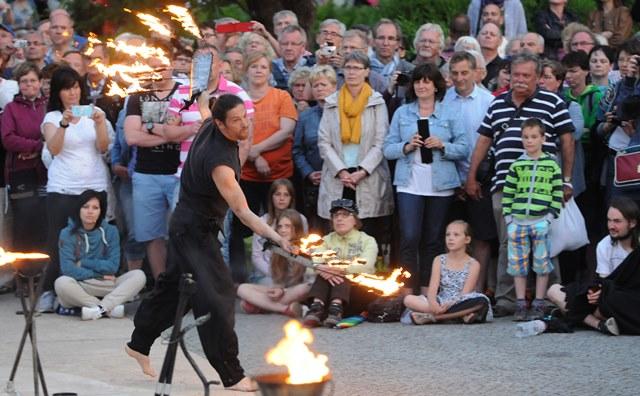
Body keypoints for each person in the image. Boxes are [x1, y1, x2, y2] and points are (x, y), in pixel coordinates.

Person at [126, 95, 290, 392]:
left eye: (245, 116)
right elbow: (242, 211)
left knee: (176, 290)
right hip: (194, 232)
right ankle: (232, 374)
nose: (245, 124)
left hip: (187, 226)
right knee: (218, 296)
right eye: (237, 120)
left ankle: (138, 343)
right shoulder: (220, 163)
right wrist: (276, 236)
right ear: (220, 124)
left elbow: (204, 107)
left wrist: (204, 94)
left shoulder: (207, 125)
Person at [465, 53, 575, 318]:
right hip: (505, 185)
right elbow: (483, 140)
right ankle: (507, 300)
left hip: (543, 186)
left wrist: (566, 181)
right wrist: (471, 177)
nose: (521, 80)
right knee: (507, 243)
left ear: (537, 77)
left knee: (546, 242)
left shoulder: (553, 101)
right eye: (517, 75)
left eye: (527, 75)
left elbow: (567, 140)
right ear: (509, 75)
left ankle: (550, 298)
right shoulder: (497, 103)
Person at [383, 63, 469, 294]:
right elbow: (387, 148)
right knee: (409, 238)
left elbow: (463, 148)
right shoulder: (402, 112)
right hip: (409, 183)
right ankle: (407, 294)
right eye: (418, 81)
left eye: (427, 81)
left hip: (440, 186)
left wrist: (443, 145)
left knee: (432, 241)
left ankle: (427, 293)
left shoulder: (450, 112)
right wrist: (407, 146)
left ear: (435, 86)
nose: (422, 85)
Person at [37, 66, 111, 313]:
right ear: (58, 92)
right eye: (67, 88)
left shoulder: (94, 113)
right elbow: (54, 149)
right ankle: (49, 289)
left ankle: (84, 292)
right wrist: (64, 124)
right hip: (63, 187)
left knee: (92, 241)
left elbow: (102, 147)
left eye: (76, 87)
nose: (72, 93)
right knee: (58, 240)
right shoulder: (51, 118)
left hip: (94, 185)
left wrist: (99, 122)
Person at [124, 41, 198, 280]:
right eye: (152, 66)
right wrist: (169, 133)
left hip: (179, 173)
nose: (157, 71)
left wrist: (152, 129)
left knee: (182, 232)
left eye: (162, 66)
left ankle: (183, 282)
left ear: (172, 65)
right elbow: (131, 137)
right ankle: (161, 285)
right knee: (151, 235)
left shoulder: (186, 93)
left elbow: (193, 130)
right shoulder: (137, 96)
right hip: (146, 175)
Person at [228, 51, 297, 284]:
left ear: (270, 71)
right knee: (240, 226)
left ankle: (286, 275)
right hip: (245, 174)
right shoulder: (237, 99)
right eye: (253, 66)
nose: (258, 70)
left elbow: (286, 130)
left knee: (283, 224)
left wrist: (256, 150)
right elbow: (231, 132)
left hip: (279, 175)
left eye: (263, 67)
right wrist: (253, 157)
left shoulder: (281, 97)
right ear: (246, 70)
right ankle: (240, 277)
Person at [317, 51, 393, 249]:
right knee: (337, 232)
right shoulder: (332, 102)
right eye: (348, 68)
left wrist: (362, 171)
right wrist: (341, 170)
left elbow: (381, 141)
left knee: (366, 233)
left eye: (357, 68)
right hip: (338, 175)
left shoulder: (376, 102)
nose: (352, 73)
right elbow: (324, 141)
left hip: (366, 175)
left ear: (366, 71)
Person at [442, 52, 496, 294]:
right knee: (452, 235)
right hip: (449, 178)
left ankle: (477, 289)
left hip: (480, 178)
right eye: (454, 73)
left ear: (476, 72)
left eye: (465, 72)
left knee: (482, 236)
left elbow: (491, 143)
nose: (459, 78)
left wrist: (474, 179)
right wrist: (456, 181)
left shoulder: (488, 101)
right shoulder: (443, 101)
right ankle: (453, 289)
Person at [548, 197, 640, 335]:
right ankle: (599, 324)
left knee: (612, 303)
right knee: (554, 290)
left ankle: (579, 315)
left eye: (617, 221)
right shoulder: (604, 245)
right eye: (609, 220)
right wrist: (597, 293)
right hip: (610, 300)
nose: (611, 226)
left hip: (631, 300)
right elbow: (605, 282)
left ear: (632, 223)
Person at [502, 118, 563, 321]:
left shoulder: (551, 164)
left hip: (540, 221)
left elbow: (557, 192)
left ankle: (538, 302)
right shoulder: (518, 164)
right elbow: (508, 192)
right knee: (518, 264)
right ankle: (520, 302)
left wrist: (549, 217)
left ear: (543, 138)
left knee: (541, 262)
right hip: (518, 221)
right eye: (526, 137)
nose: (529, 141)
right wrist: (509, 218)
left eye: (534, 137)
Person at [54, 190, 146, 319]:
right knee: (62, 282)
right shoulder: (67, 233)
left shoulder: (111, 231)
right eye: (85, 207)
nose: (90, 211)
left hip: (107, 284)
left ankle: (97, 310)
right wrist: (99, 273)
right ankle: (108, 309)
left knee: (138, 275)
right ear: (78, 209)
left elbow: (113, 266)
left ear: (101, 211)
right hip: (81, 285)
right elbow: (68, 269)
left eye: (95, 208)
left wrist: (83, 262)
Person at [302, 198, 378, 328]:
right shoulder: (325, 240)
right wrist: (323, 269)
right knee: (323, 274)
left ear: (355, 219)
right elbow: (314, 264)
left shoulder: (367, 240)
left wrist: (338, 269)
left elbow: (367, 265)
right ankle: (317, 308)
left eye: (345, 214)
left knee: (341, 274)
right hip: (328, 292)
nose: (339, 218)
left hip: (357, 293)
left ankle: (335, 309)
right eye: (336, 215)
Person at [403, 220, 492, 324]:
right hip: (441, 300)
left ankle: (433, 317)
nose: (450, 238)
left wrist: (450, 305)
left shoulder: (473, 264)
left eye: (456, 235)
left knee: (482, 302)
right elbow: (433, 288)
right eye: (448, 235)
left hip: (461, 301)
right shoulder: (439, 260)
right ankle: (460, 315)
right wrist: (433, 303)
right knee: (408, 299)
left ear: (467, 239)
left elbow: (465, 293)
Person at [1, 62, 47, 253]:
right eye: (24, 81)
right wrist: (39, 145)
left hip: (48, 170)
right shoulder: (12, 108)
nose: (29, 85)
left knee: (46, 219)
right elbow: (8, 138)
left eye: (33, 80)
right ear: (18, 84)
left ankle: (46, 274)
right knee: (24, 222)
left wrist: (40, 150)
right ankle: (24, 274)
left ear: (40, 82)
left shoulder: (50, 105)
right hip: (21, 171)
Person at [238, 209, 313, 316]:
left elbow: (308, 281)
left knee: (306, 287)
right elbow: (279, 279)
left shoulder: (306, 248)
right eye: (280, 226)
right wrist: (279, 288)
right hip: (283, 291)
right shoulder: (277, 248)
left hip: (296, 290)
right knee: (242, 288)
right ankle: (284, 309)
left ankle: (261, 306)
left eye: (287, 226)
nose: (282, 230)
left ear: (296, 228)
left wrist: (283, 290)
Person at [293, 65, 338, 233]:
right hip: (314, 182)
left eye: (323, 85)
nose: (319, 89)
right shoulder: (305, 117)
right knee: (317, 230)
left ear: (334, 87)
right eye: (315, 85)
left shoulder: (344, 113)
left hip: (339, 179)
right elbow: (297, 150)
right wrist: (308, 173)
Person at [249, 179, 308, 283]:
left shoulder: (301, 219)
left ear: (291, 198)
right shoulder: (262, 221)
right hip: (267, 274)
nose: (281, 199)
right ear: (271, 197)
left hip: (293, 273)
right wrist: (276, 275)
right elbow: (256, 256)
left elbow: (305, 249)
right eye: (277, 194)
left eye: (286, 195)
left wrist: (293, 274)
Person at [271, 25, 314, 92]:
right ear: (279, 45)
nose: (289, 48)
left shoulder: (312, 68)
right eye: (285, 44)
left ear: (303, 47)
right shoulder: (269, 68)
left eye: (293, 44)